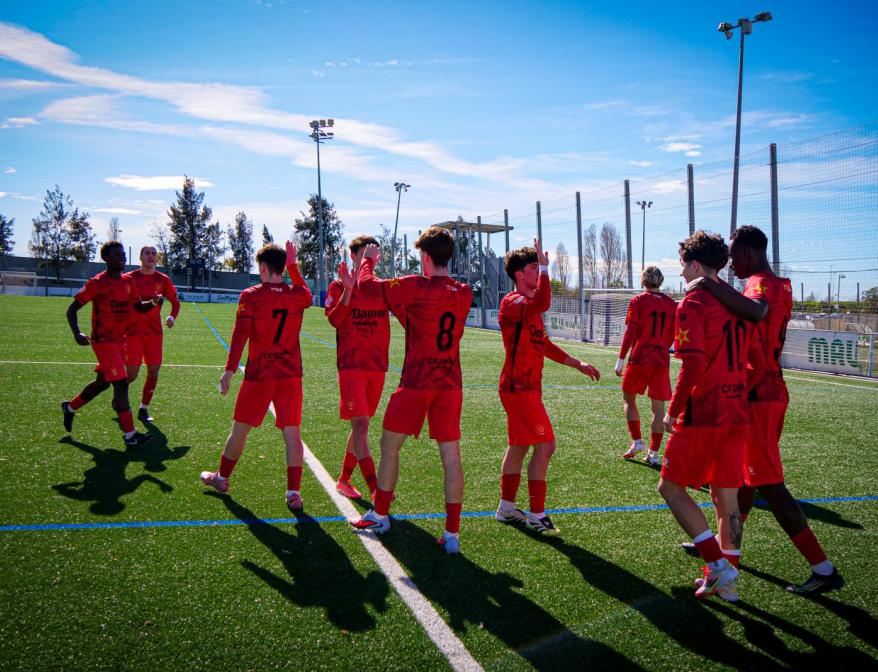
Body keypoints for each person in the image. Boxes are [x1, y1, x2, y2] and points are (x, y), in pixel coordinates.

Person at [685, 225, 844, 594]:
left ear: (749, 252)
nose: (731, 264)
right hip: (766, 390)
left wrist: (707, 283)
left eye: (734, 255)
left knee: (770, 486)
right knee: (743, 481)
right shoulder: (778, 284)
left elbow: (757, 311)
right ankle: (723, 550)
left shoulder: (759, 285)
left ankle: (823, 569)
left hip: (759, 395)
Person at [350, 226, 473, 555]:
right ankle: (452, 534)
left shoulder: (416, 285)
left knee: (389, 447)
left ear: (427, 257)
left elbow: (367, 287)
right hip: (450, 384)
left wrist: (367, 261)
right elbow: (425, 321)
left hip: (417, 382)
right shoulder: (464, 292)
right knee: (451, 457)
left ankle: (380, 515)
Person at [657, 231, 749, 601]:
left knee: (670, 488)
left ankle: (717, 564)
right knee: (727, 499)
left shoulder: (693, 302)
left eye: (683, 265)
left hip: (705, 411)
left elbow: (692, 365)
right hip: (737, 408)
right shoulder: (735, 301)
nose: (680, 272)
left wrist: (673, 410)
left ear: (695, 265)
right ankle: (728, 581)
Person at [495, 241, 600, 536]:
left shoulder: (530, 308)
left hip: (525, 388)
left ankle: (506, 509)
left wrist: (577, 363)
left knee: (519, 446)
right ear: (519, 275)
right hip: (519, 389)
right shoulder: (512, 302)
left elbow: (544, 345)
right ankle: (537, 514)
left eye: (539, 268)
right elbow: (542, 302)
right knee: (546, 445)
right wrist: (545, 268)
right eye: (533, 268)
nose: (540, 272)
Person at [200, 242, 312, 513]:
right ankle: (294, 494)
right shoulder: (297, 295)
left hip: (260, 374)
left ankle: (222, 478)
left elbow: (240, 335)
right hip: (290, 374)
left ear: (263, 268)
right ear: (282, 267)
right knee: (292, 434)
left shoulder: (251, 296)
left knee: (240, 430)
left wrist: (229, 369)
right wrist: (293, 267)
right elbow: (307, 294)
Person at [61, 241, 159, 448]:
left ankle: (69, 407)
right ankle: (130, 435)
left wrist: (152, 303)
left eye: (123, 254)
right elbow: (71, 310)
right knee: (121, 384)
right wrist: (77, 333)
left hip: (120, 341)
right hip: (103, 342)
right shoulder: (97, 283)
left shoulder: (128, 282)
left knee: (102, 383)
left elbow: (138, 307)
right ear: (106, 259)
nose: (122, 258)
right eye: (117, 255)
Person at [324, 235, 388, 500]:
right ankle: (375, 490)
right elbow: (335, 321)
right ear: (353, 256)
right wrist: (348, 292)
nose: (370, 260)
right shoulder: (338, 285)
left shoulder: (379, 287)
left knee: (362, 427)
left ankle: (344, 480)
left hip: (377, 367)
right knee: (361, 426)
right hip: (351, 366)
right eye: (365, 255)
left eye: (374, 255)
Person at [615, 266, 677, 465]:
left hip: (640, 356)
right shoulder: (672, 304)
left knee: (629, 398)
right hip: (661, 359)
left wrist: (620, 359)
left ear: (643, 281)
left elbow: (630, 332)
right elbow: (673, 335)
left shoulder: (638, 300)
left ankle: (637, 441)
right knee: (658, 409)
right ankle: (654, 453)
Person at [124, 245, 181, 423]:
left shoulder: (163, 280)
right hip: (132, 333)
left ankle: (143, 408)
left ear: (157, 259)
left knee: (154, 372)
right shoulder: (129, 278)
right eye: (147, 253)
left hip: (154, 334)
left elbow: (175, 302)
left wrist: (171, 317)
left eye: (154, 254)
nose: (151, 256)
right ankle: (120, 400)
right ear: (140, 257)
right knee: (131, 374)